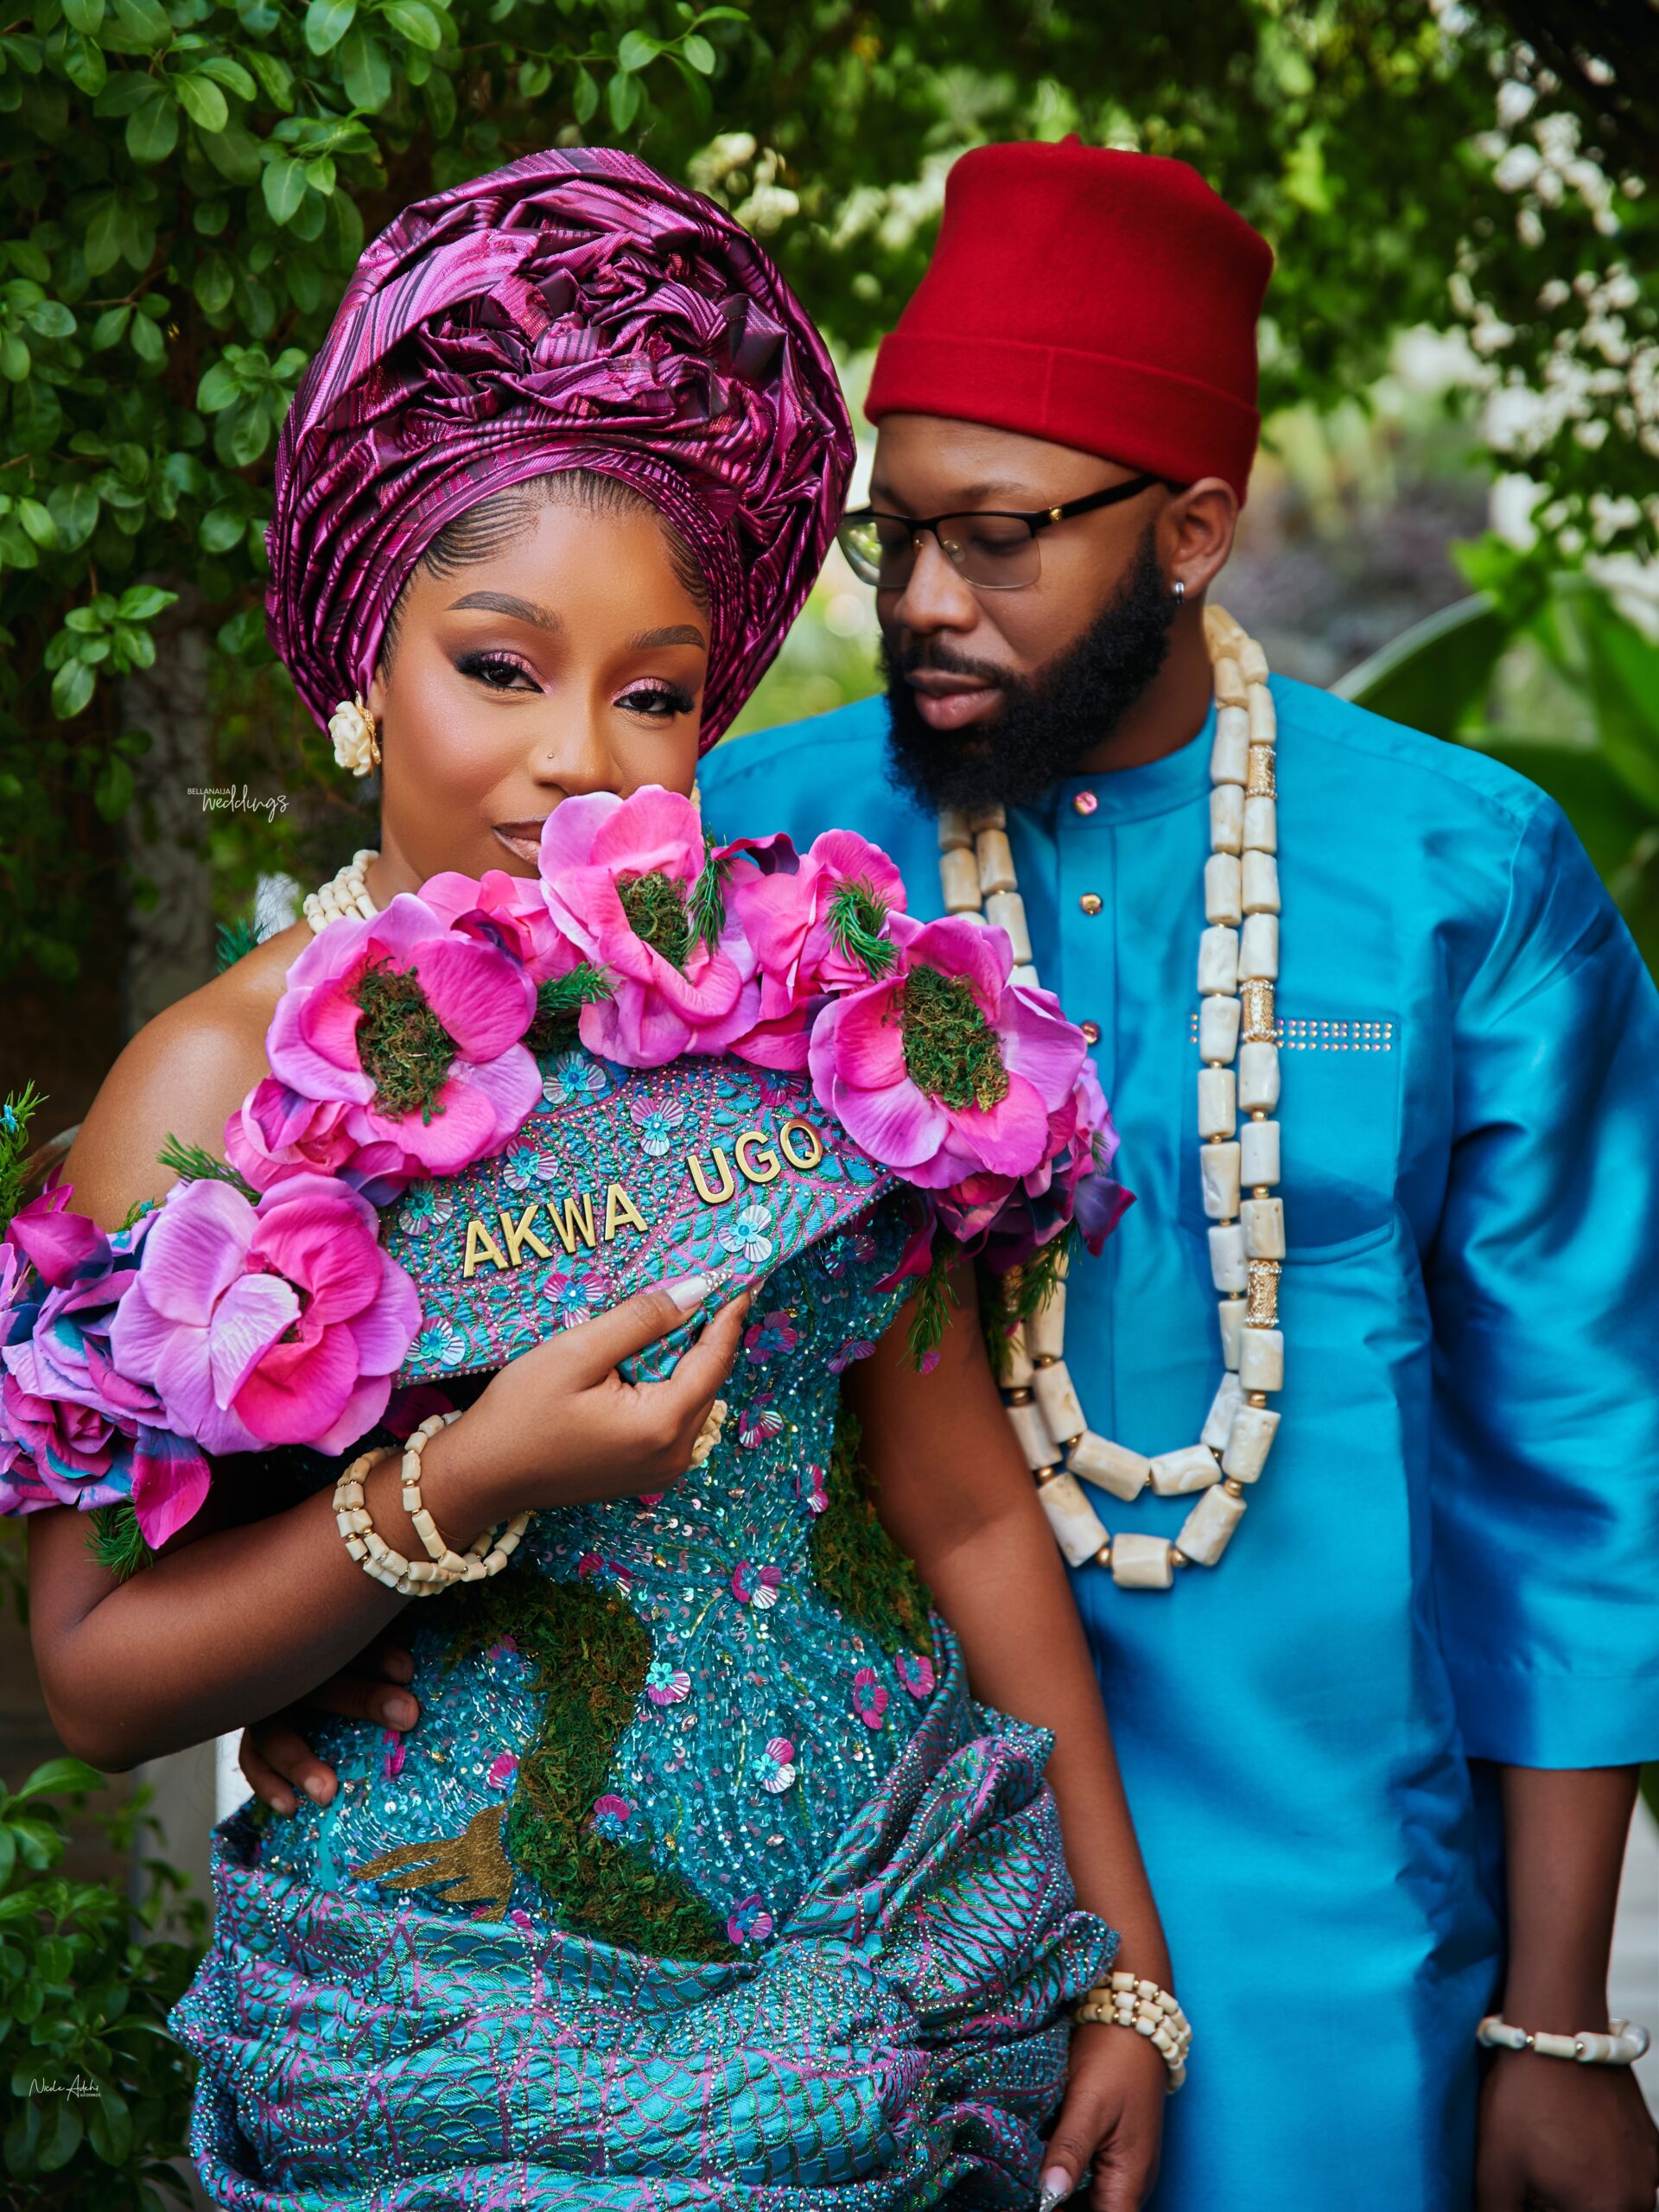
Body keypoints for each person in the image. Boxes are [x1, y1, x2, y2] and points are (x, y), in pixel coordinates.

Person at [22, 149, 1177, 2210]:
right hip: (443, 2046)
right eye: (499, 664)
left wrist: (1128, 1965)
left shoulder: (805, 1016)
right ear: (358, 659)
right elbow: (101, 1674)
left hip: (894, 1976)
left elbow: (965, 1500)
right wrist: (449, 1491)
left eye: (654, 692)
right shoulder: (207, 1086)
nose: (580, 757)